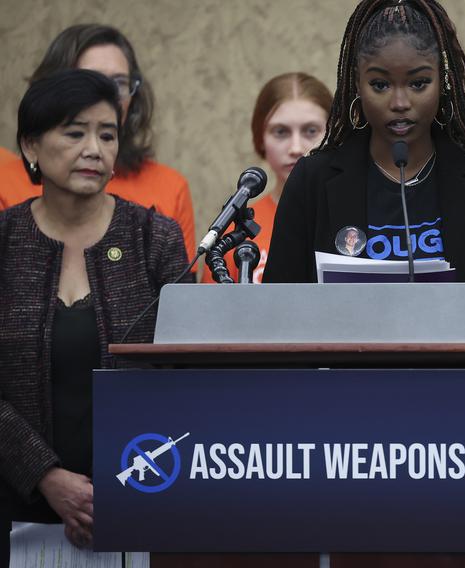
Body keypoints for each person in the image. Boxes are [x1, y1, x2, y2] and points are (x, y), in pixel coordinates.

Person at [0, 69, 190, 563]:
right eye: (74, 131)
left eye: (107, 134)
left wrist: (126, 476)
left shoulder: (156, 239)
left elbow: (186, 376)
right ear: (31, 147)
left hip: (141, 496)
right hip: (14, 510)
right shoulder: (2, 242)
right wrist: (45, 476)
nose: (94, 149)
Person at [264, 0, 465, 345]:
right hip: (342, 391)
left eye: (419, 83)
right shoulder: (313, 180)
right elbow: (277, 311)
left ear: (442, 83)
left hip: (457, 390)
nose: (400, 102)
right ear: (356, 85)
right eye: (380, 85)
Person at [0, 24, 196, 265]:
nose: (106, 96)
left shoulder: (168, 196)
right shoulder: (5, 189)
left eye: (119, 84)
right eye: (74, 133)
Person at [202, 72, 332, 283]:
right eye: (281, 132)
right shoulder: (238, 228)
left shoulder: (350, 216)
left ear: (333, 133)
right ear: (260, 138)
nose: (296, 148)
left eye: (311, 130)